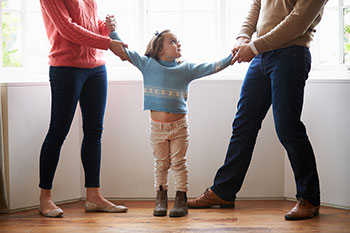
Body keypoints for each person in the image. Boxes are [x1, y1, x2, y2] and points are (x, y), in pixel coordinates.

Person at [188, 0, 328, 221]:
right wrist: (243, 37)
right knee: (243, 125)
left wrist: (253, 47)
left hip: (290, 55)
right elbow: (256, 5)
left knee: (288, 127)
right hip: (262, 56)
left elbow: (297, 22)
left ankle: (309, 198)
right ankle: (223, 191)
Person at [107, 20, 233, 217]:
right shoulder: (147, 64)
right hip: (157, 128)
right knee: (161, 164)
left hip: (179, 127)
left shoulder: (186, 68)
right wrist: (112, 31)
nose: (178, 44)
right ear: (159, 49)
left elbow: (212, 67)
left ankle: (181, 199)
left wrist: (233, 56)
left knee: (179, 163)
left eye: (178, 41)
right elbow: (124, 52)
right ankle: (161, 198)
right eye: (173, 41)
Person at [38, 0, 129, 217]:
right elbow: (67, 28)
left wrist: (107, 27)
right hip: (66, 68)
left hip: (96, 68)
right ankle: (45, 198)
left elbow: (89, 23)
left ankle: (93, 196)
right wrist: (108, 43)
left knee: (94, 132)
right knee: (58, 131)